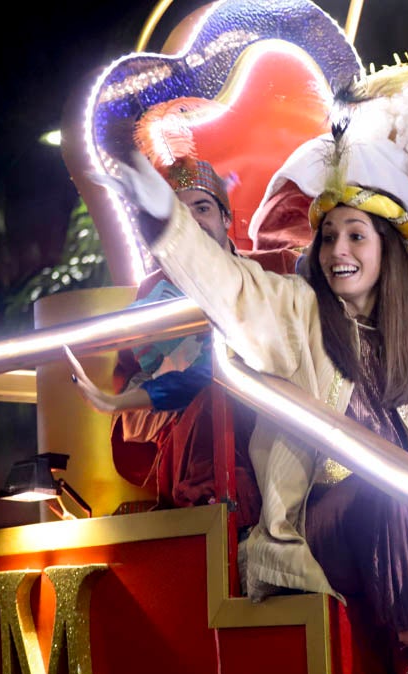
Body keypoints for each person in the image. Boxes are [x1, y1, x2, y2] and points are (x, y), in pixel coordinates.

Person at [93, 63, 408, 666]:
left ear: (386, 248)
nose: (339, 250)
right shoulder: (297, 309)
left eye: (355, 236)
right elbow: (226, 283)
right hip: (319, 524)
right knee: (387, 485)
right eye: (329, 236)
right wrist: (143, 187)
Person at [67, 157, 262, 528]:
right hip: (195, 444)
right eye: (180, 214)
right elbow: (142, 412)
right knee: (214, 402)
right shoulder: (154, 294)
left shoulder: (268, 273)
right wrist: (124, 401)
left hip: (278, 424)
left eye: (202, 208)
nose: (193, 222)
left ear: (226, 219)